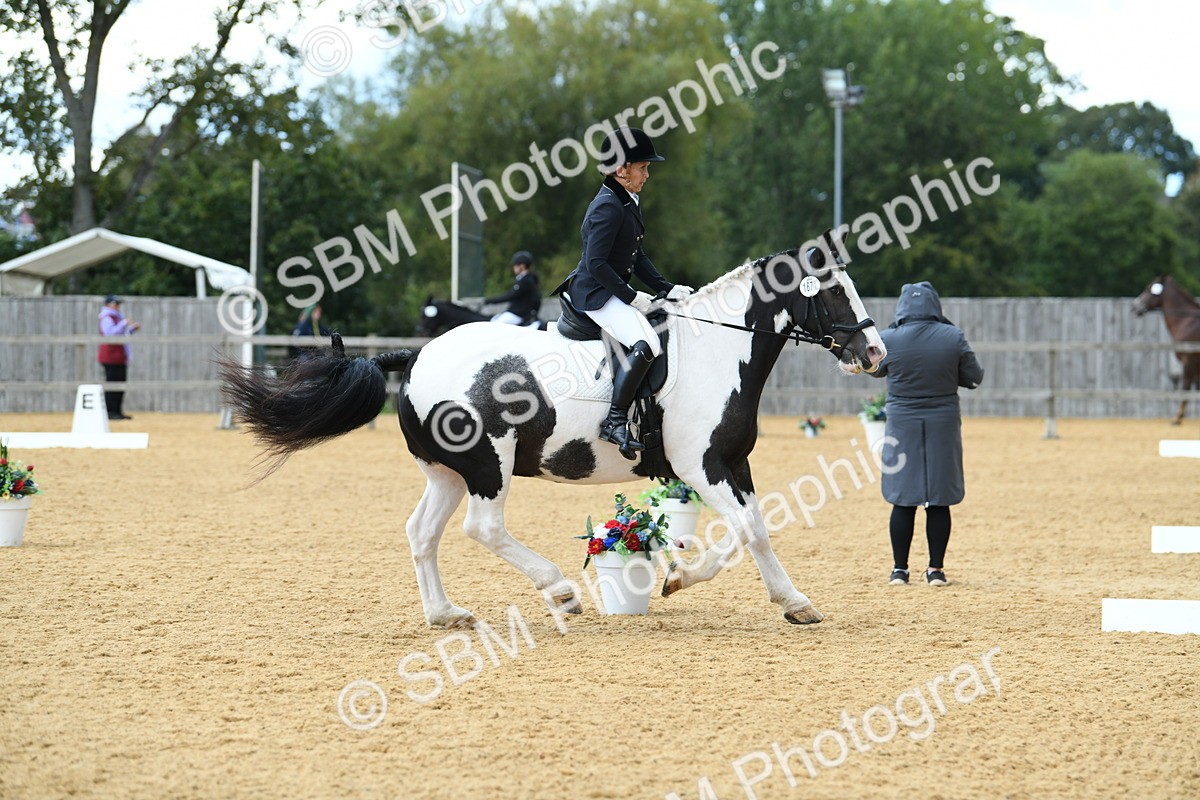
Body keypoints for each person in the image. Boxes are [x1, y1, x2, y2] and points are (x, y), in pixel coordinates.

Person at [555, 127, 693, 460]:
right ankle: (614, 421)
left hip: (609, 289)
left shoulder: (625, 200)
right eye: (643, 168)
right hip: (595, 294)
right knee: (648, 343)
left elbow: (636, 255)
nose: (647, 174)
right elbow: (597, 263)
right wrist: (632, 297)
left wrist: (665, 287)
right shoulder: (608, 206)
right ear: (622, 170)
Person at [869, 281, 984, 587]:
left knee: (902, 498)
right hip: (943, 422)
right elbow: (975, 376)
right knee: (939, 498)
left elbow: (875, 369)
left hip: (902, 423)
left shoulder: (888, 338)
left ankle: (899, 570)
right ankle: (935, 570)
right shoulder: (953, 336)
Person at [97, 294, 141, 420]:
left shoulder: (115, 317)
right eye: (115, 304)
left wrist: (131, 329)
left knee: (120, 384)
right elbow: (110, 334)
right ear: (108, 304)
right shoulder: (107, 317)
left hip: (118, 356)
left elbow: (121, 334)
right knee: (112, 385)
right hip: (110, 357)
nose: (117, 307)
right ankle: (110, 412)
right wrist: (123, 323)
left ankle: (117, 411)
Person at [486, 251, 541, 325]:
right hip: (520, 313)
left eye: (515, 265)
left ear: (522, 266)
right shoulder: (527, 279)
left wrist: (491, 301)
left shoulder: (525, 281)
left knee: (496, 325)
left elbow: (511, 295)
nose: (514, 267)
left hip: (519, 314)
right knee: (495, 318)